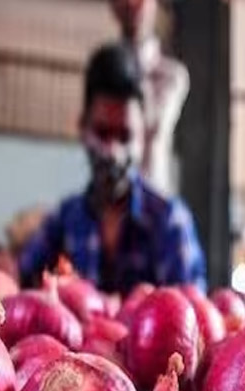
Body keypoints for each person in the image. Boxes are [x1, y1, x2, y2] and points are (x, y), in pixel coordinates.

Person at [19, 43, 206, 296]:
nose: (112, 151)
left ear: (142, 138)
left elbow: (193, 318)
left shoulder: (170, 222)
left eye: (125, 136)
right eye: (102, 132)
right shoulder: (64, 220)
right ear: (82, 129)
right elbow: (21, 283)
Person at [111, 0, 188, 195]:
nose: (130, 5)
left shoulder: (172, 76)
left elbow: (153, 126)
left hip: (154, 194)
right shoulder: (106, 70)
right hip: (111, 200)